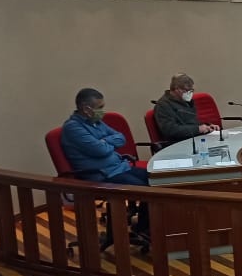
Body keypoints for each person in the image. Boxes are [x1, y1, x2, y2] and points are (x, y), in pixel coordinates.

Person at [60, 88, 150, 237]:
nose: (103, 111)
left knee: (156, 180)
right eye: (100, 107)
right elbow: (100, 150)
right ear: (86, 109)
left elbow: (121, 138)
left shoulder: (95, 122)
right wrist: (105, 144)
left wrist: (103, 141)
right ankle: (144, 229)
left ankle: (145, 226)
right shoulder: (73, 128)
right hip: (100, 175)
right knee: (148, 191)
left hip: (118, 168)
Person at [154, 73, 218, 145]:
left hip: (193, 139)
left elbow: (191, 122)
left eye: (191, 90)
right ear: (177, 89)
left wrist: (207, 126)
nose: (190, 93)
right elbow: (170, 130)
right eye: (187, 90)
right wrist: (198, 129)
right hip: (177, 143)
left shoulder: (185, 101)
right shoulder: (163, 105)